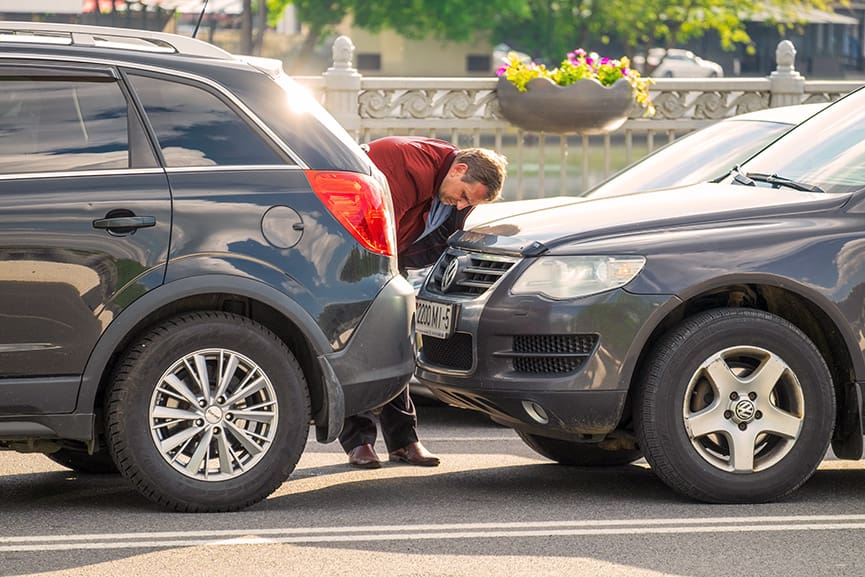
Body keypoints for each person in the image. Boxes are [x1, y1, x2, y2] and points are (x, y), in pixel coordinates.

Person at [340, 136, 508, 469]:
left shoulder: (452, 179)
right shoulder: (405, 163)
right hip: (357, 257)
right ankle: (358, 441)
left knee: (397, 346)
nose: (460, 205)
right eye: (462, 196)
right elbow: (372, 224)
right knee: (357, 346)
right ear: (459, 169)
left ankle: (404, 441)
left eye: (468, 202)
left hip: (388, 258)